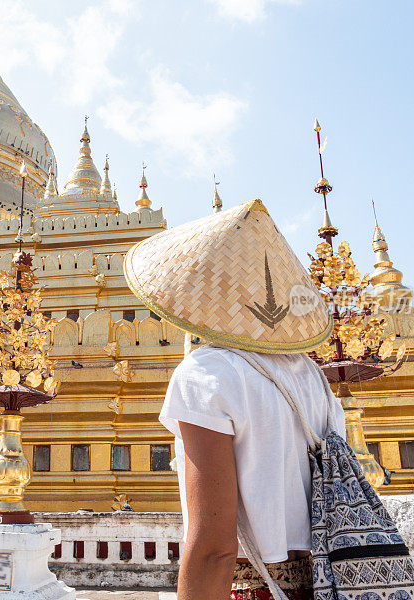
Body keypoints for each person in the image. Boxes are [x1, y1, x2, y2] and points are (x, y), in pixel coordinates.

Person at [124, 199, 345, 600]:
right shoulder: (314, 378)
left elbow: (215, 549)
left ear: (193, 296)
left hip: (254, 588)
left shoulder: (205, 374)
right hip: (329, 583)